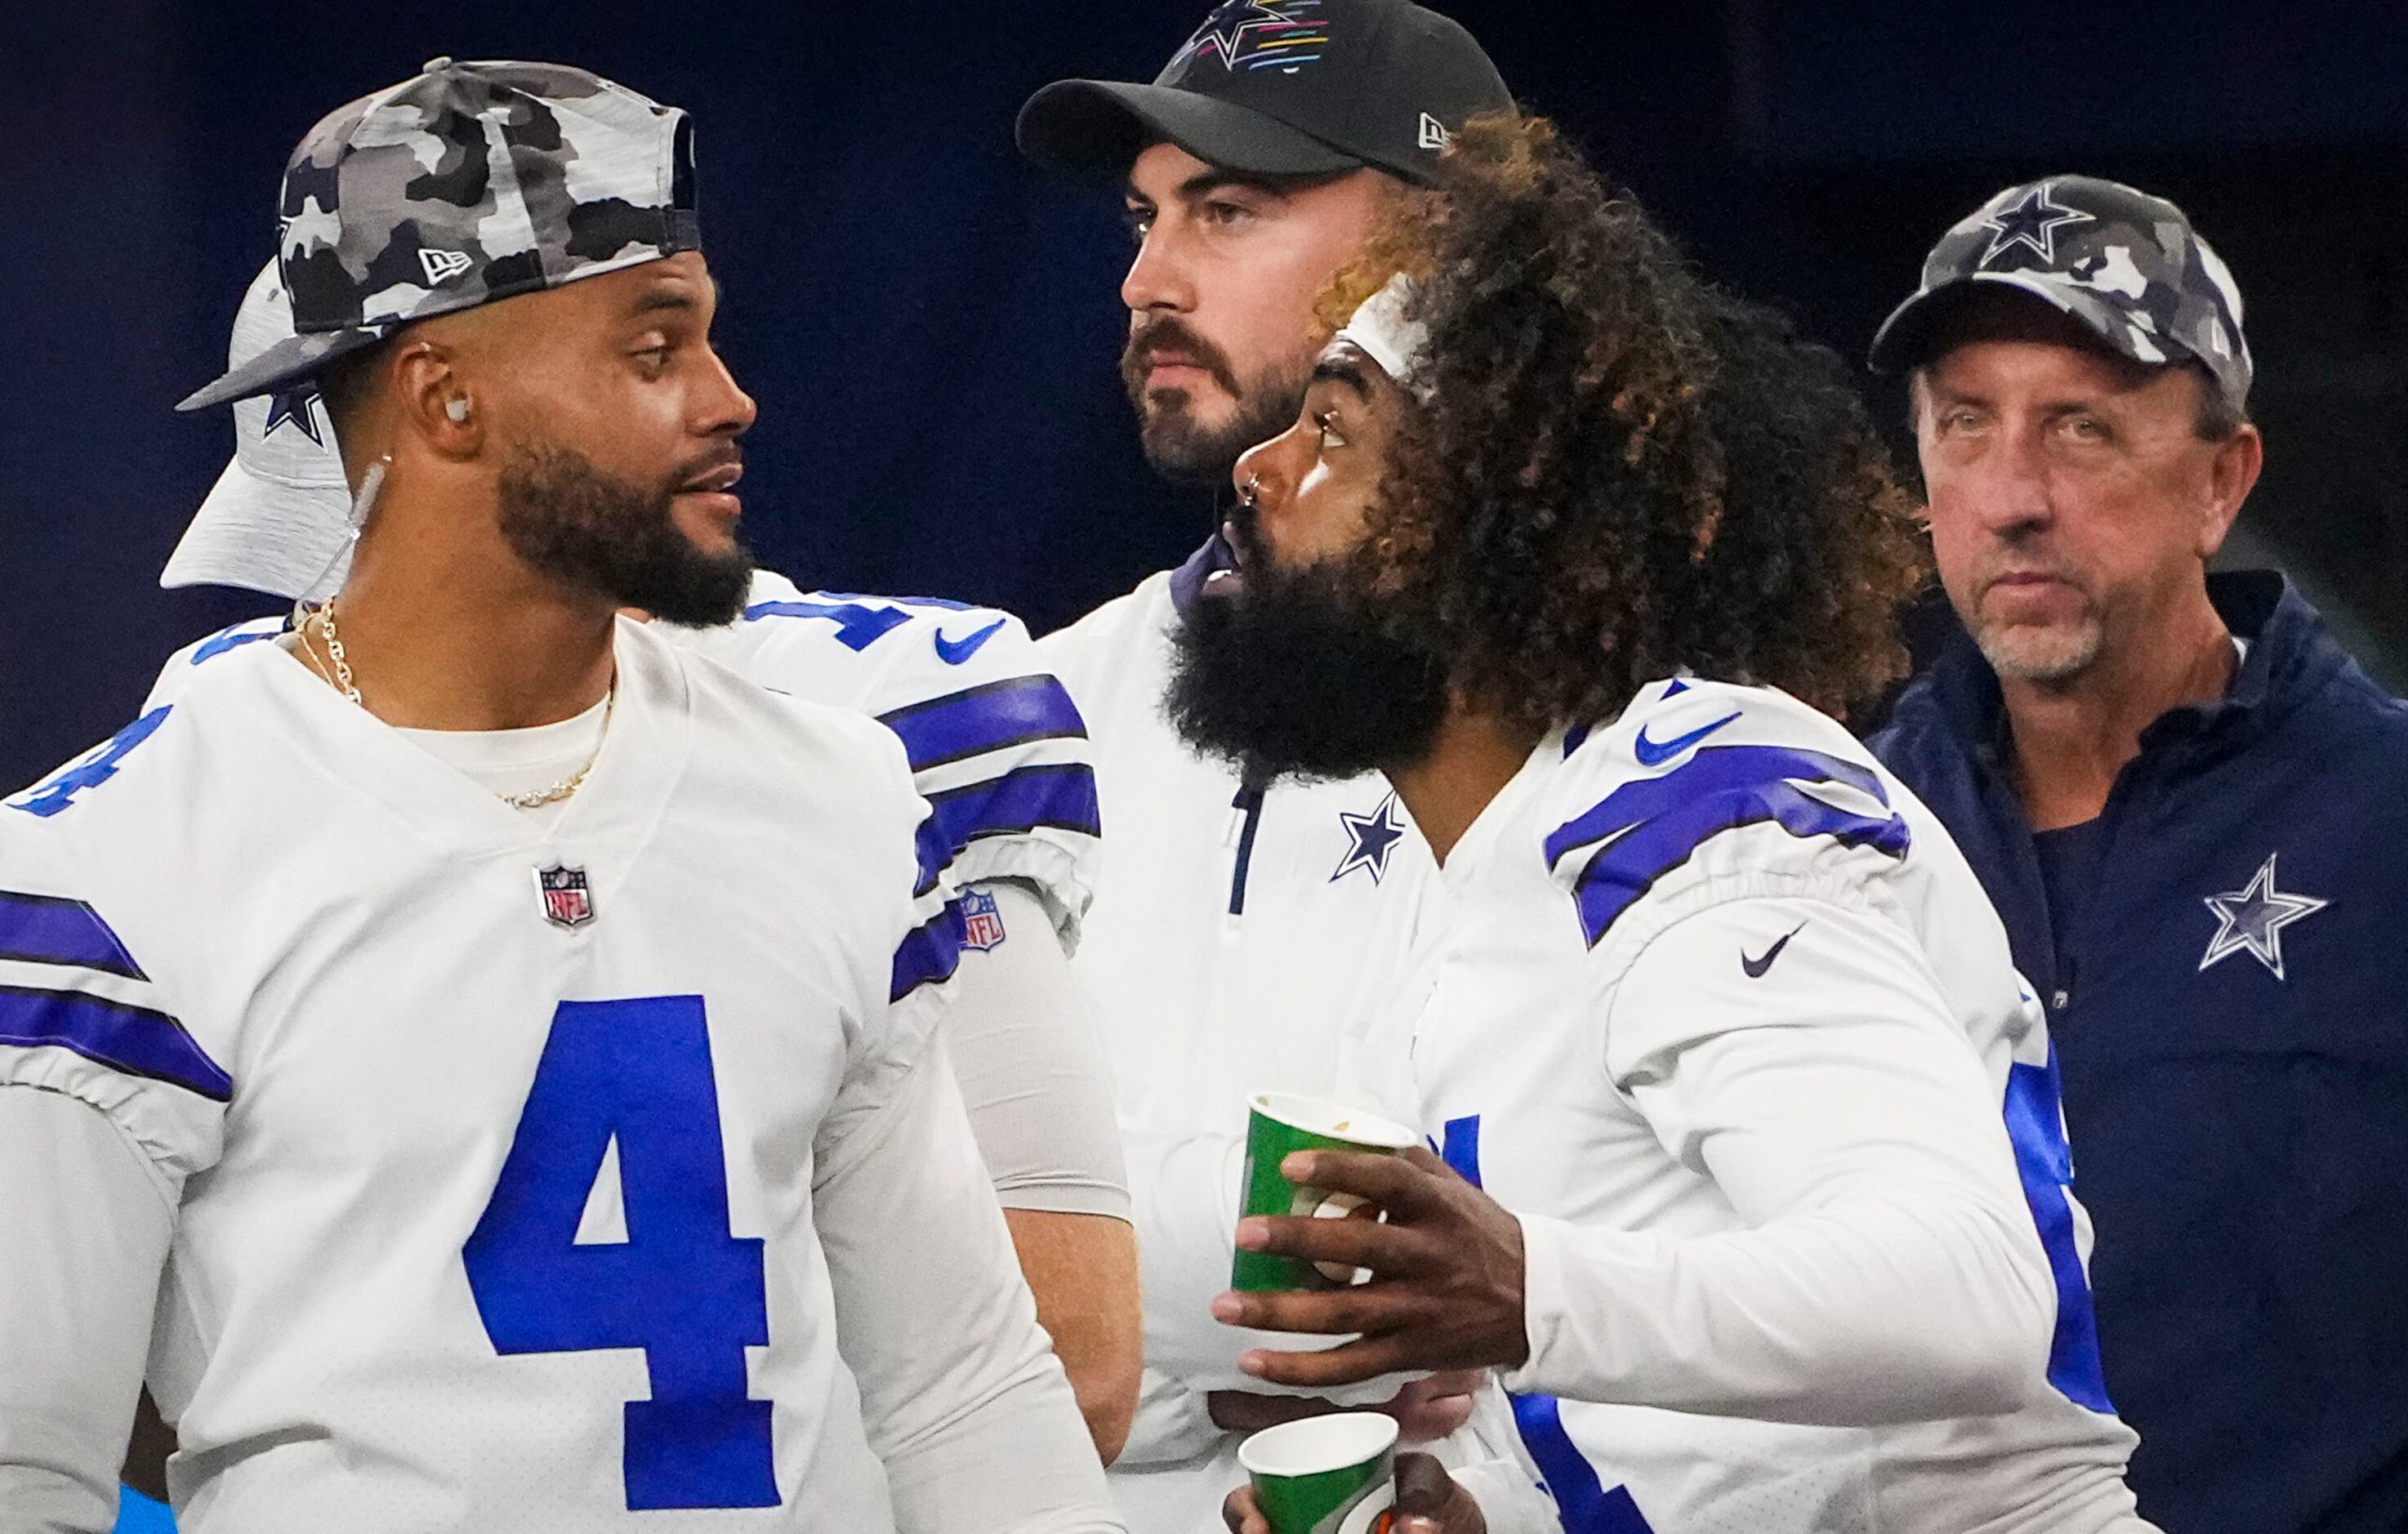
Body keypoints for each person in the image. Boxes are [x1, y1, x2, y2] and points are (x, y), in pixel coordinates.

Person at [0, 59, 1117, 1533]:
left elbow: (966, 1394)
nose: (732, 399)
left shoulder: (837, 786)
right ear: (446, 396)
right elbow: (33, 1473)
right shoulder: (115, 868)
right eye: (655, 351)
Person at [1180, 118, 2154, 1532]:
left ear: (1474, 523)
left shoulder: (1695, 797)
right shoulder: (1481, 881)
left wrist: (1531, 1291)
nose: (1257, 472)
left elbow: (1968, 1295)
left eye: (1332, 429)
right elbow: (1722, 1447)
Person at [1014, 5, 1550, 1528]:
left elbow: (1655, 1275)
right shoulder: (1034, 709)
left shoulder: (1625, 729)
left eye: (1229, 210)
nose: (1146, 280)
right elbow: (901, 1221)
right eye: (1145, 217)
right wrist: (1268, 1312)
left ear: (1450, 262)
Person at [1865, 176, 2408, 1533]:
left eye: (2082, 429)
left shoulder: (2388, 814)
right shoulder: (1836, 834)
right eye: (1964, 426)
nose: (2012, 498)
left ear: (2223, 480)